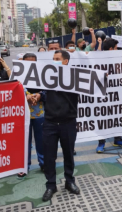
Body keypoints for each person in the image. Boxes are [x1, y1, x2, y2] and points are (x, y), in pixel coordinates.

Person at [42, 50, 80, 202]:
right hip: (50, 123)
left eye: (57, 59)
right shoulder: (46, 76)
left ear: (65, 61)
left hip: (68, 122)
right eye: (53, 59)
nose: (54, 61)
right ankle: (51, 185)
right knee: (49, 156)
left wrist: (101, 78)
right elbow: (42, 92)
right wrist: (38, 95)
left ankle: (69, 181)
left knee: (68, 154)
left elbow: (92, 82)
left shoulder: (75, 77)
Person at [95, 38, 122, 153]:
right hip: (103, 94)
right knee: (103, 117)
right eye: (116, 48)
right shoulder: (98, 58)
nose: (117, 49)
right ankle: (101, 143)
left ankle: (118, 139)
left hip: (118, 93)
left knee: (118, 115)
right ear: (111, 49)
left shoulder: (117, 58)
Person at [17, 53, 45, 179]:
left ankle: (44, 163)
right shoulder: (17, 75)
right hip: (23, 114)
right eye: (26, 62)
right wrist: (26, 96)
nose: (29, 65)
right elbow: (13, 89)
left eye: (32, 62)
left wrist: (39, 95)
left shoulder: (43, 74)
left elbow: (48, 89)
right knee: (23, 141)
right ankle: (23, 166)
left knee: (42, 140)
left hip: (40, 113)